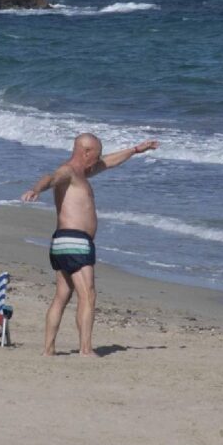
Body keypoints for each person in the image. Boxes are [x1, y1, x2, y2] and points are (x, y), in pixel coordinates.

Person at [21, 133, 159, 356]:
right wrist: (37, 190)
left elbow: (108, 163)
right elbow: (50, 177)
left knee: (62, 296)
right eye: (96, 154)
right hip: (75, 241)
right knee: (88, 295)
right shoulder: (69, 171)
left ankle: (48, 350)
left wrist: (135, 150)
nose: (99, 159)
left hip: (62, 241)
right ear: (85, 152)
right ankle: (85, 349)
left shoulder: (82, 173)